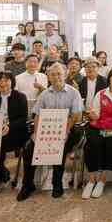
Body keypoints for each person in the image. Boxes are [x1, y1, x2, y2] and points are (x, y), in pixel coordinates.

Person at [17, 63, 83, 200]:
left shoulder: (73, 92)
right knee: (29, 149)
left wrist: (65, 130)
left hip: (70, 129)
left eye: (59, 73)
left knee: (61, 147)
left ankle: (56, 182)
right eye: (53, 74)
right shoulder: (45, 94)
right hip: (48, 130)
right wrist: (36, 134)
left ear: (64, 75)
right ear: (48, 77)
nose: (56, 77)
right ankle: (28, 184)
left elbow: (76, 115)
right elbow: (38, 115)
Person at [81, 67, 112, 199]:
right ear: (109, 79)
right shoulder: (101, 94)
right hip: (99, 128)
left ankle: (102, 181)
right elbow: (96, 115)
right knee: (91, 144)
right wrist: (92, 115)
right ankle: (91, 181)